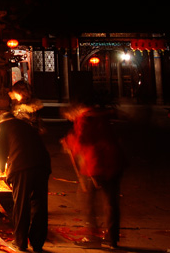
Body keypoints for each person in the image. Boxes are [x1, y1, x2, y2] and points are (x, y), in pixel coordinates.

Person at [63, 97, 126, 249]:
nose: (71, 120)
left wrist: (69, 141)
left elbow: (81, 142)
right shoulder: (101, 116)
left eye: (69, 117)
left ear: (74, 111)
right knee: (111, 203)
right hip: (114, 163)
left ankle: (92, 236)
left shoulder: (83, 119)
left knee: (87, 200)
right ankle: (112, 239)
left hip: (96, 164)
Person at [0, 112, 52, 252]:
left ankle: (20, 241)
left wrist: (1, 169)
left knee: (21, 203)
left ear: (1, 120)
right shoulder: (26, 125)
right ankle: (37, 243)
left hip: (22, 166)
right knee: (40, 204)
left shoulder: (1, 126)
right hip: (42, 165)